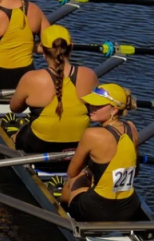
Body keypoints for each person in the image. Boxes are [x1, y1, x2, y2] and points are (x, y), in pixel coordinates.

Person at [61, 83, 146, 222]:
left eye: (98, 105)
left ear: (114, 110)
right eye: (91, 104)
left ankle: (61, 208)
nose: (91, 108)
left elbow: (72, 172)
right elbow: (135, 172)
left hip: (96, 211)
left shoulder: (92, 134)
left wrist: (87, 172)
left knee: (74, 180)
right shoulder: (132, 128)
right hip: (129, 208)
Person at [9, 25, 99, 153]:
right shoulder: (89, 75)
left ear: (43, 51)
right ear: (71, 47)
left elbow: (15, 108)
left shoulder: (31, 78)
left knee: (17, 133)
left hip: (39, 145)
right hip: (79, 145)